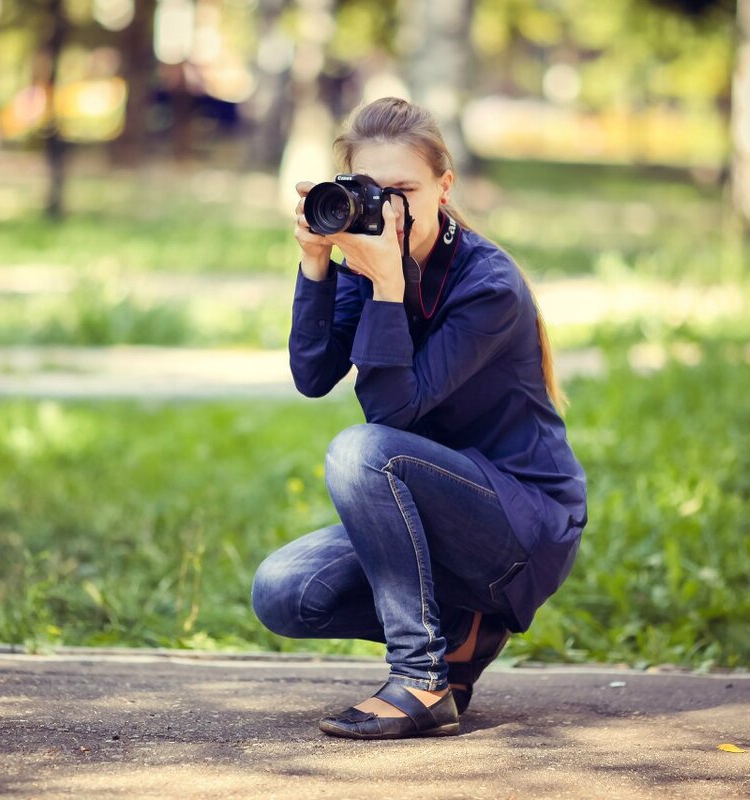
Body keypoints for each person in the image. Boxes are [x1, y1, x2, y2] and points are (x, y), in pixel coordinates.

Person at [250, 97, 588, 740]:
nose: (388, 211)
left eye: (403, 190)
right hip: (432, 509)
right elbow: (312, 375)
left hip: (521, 525)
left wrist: (384, 285)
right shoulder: (369, 257)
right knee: (283, 590)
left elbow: (390, 417)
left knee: (360, 451)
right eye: (371, 193)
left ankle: (422, 680)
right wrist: (317, 263)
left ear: (444, 185)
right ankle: (462, 626)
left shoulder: (487, 285)